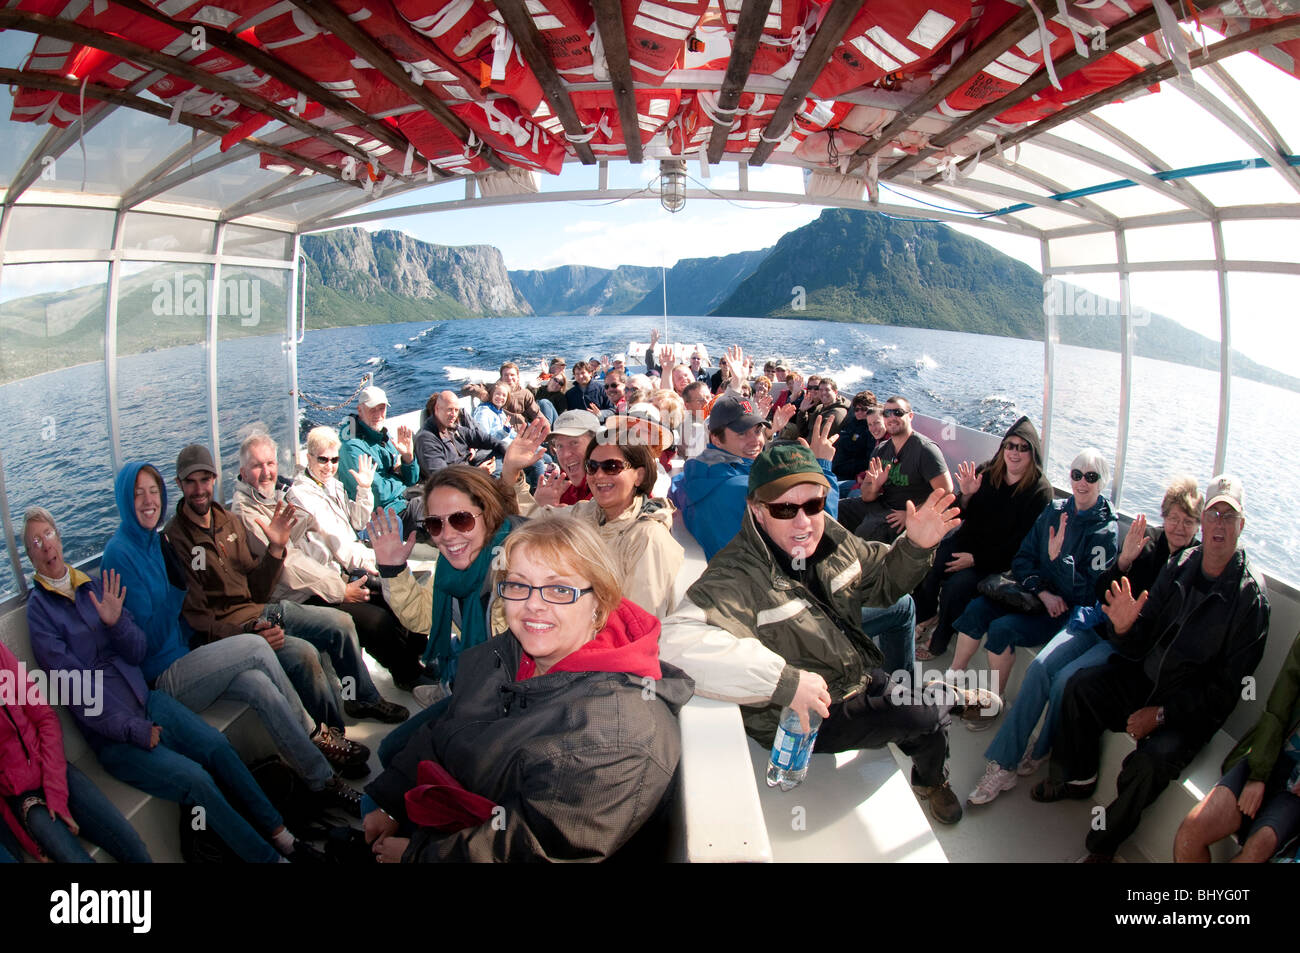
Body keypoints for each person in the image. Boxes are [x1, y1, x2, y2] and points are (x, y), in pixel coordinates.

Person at [660, 442, 987, 825]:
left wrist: (915, 547)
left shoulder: (830, 536)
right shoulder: (736, 576)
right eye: (785, 509)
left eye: (813, 504)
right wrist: (783, 681)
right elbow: (673, 643)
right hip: (801, 713)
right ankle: (940, 724)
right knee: (923, 718)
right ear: (757, 511)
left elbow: (881, 583)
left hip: (851, 671)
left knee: (923, 721)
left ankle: (931, 766)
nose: (803, 522)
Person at [361, 515, 692, 862]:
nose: (533, 604)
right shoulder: (508, 651)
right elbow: (445, 728)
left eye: (559, 589)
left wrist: (416, 856)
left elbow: (533, 848)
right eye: (519, 585)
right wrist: (391, 801)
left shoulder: (614, 735)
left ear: (599, 603)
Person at [23, 509, 329, 859]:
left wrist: (115, 623)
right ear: (30, 557)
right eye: (35, 542)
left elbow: (137, 650)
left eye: (48, 534)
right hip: (114, 738)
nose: (45, 545)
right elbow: (76, 691)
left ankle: (282, 835)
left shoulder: (91, 587)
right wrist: (133, 729)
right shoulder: (40, 612)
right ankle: (269, 858)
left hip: (148, 701)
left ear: (59, 538)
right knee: (196, 780)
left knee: (217, 746)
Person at [1034, 475, 1269, 863]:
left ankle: (1102, 846)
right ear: (1204, 521)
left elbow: (1225, 693)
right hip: (1146, 679)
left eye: (1230, 517)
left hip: (1187, 712)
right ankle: (1079, 777)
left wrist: (1160, 716)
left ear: (1241, 526)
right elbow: (1140, 638)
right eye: (1214, 515)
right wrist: (1124, 628)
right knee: (1080, 688)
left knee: (1148, 764)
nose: (1220, 525)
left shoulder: (1250, 601)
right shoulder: (1179, 565)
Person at [103, 461, 359, 804]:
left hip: (191, 655)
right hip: (163, 678)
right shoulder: (120, 555)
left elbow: (236, 595)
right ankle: (317, 735)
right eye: (138, 494)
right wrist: (177, 592)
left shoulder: (155, 541)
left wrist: (274, 551)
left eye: (153, 491)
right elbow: (144, 645)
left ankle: (321, 779)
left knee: (260, 686)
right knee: (256, 648)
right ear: (124, 499)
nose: (148, 500)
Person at [968, 476, 1201, 805]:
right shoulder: (1146, 544)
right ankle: (1003, 764)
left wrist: (1129, 624)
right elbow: (1101, 590)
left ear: (1198, 525)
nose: (1179, 527)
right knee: (1039, 668)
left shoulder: (1195, 567)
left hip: (1123, 644)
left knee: (1064, 682)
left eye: (1188, 521)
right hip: (1094, 622)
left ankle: (1041, 749)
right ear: (1163, 517)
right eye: (1173, 518)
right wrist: (1124, 562)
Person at [163, 443, 376, 775]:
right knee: (304, 655)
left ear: (215, 479)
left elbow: (257, 589)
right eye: (190, 482)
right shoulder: (176, 539)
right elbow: (198, 618)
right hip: (234, 633)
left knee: (340, 623)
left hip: (260, 610)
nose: (199, 489)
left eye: (205, 480)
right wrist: (248, 632)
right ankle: (332, 741)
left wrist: (276, 548)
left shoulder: (229, 522)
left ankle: (359, 702)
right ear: (179, 485)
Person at [230, 435, 410, 722]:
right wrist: (340, 588)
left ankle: (410, 668)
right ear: (242, 471)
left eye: (270, 463)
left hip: (319, 580)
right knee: (371, 622)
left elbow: (329, 534)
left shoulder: (277, 496)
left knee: (387, 599)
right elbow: (289, 566)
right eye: (256, 466)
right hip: (293, 595)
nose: (266, 472)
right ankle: (360, 698)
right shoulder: (248, 513)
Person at [367, 465, 523, 751]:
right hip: (478, 682)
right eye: (435, 524)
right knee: (391, 751)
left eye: (461, 520)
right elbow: (421, 618)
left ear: (488, 513)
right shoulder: (450, 564)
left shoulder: (519, 567)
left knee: (394, 751)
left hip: (512, 701)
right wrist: (392, 569)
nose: (447, 536)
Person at [949, 447, 1118, 705]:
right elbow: (1022, 558)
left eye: (1091, 477)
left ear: (1102, 482)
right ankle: (952, 678)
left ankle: (993, 702)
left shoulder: (1104, 533)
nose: (1082, 483)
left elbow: (1089, 595)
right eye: (1076, 475)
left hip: (1062, 610)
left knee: (1002, 629)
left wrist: (1061, 562)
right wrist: (1041, 590)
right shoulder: (1054, 511)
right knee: (976, 609)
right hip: (1035, 594)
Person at [502, 420, 684, 618]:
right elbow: (530, 521)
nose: (599, 475)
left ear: (639, 476)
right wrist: (511, 471)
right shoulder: (586, 513)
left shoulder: (648, 537)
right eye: (592, 466)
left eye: (612, 467)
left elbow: (638, 622)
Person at [913, 417, 1054, 661]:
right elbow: (960, 514)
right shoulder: (987, 472)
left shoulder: (1040, 492)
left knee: (957, 587)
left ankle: (940, 639)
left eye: (1023, 448)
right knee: (929, 561)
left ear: (1033, 453)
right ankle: (926, 615)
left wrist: (976, 560)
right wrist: (966, 495)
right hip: (967, 541)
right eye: (1010, 445)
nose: (1015, 453)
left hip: (1000, 559)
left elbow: (1021, 544)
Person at [0, 639, 151, 863]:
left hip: (50, 764)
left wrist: (56, 790)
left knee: (131, 845)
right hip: (19, 796)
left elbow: (45, 718)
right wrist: (28, 842)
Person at [1175, 628, 1300, 862]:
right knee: (1190, 833)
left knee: (1256, 851)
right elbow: (1277, 709)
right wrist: (1258, 775)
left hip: (1294, 794)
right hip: (1271, 753)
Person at [838, 396, 954, 543]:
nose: (892, 417)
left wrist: (912, 515)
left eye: (898, 412)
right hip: (881, 505)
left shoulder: (925, 450)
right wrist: (875, 486)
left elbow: (946, 491)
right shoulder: (880, 450)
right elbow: (867, 496)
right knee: (836, 509)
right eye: (887, 413)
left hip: (905, 513)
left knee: (867, 531)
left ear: (910, 416)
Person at [339, 385, 420, 534]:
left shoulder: (382, 435)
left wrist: (408, 459)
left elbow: (412, 480)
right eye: (372, 409)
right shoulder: (352, 446)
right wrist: (400, 479)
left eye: (381, 408)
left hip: (401, 500)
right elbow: (378, 493)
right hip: (383, 513)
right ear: (360, 410)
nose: (378, 414)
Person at [414, 390, 508, 476]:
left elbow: (485, 439)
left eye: (456, 410)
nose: (454, 415)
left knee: (502, 455)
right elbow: (442, 478)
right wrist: (478, 473)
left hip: (469, 470)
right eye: (450, 409)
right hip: (457, 482)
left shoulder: (452, 428)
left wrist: (508, 451)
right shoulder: (427, 439)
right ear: (437, 408)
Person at [831, 391, 881, 485]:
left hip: (849, 474)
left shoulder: (872, 431)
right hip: (836, 466)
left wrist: (843, 468)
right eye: (856, 409)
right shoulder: (851, 423)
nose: (859, 412)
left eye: (864, 409)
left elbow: (868, 460)